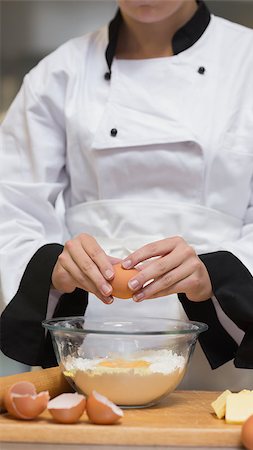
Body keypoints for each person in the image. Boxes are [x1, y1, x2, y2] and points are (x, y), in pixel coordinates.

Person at [0, 0, 253, 388]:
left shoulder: (245, 63)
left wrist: (216, 277)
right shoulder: (58, 76)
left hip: (225, 357)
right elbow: (9, 206)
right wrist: (53, 267)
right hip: (86, 353)